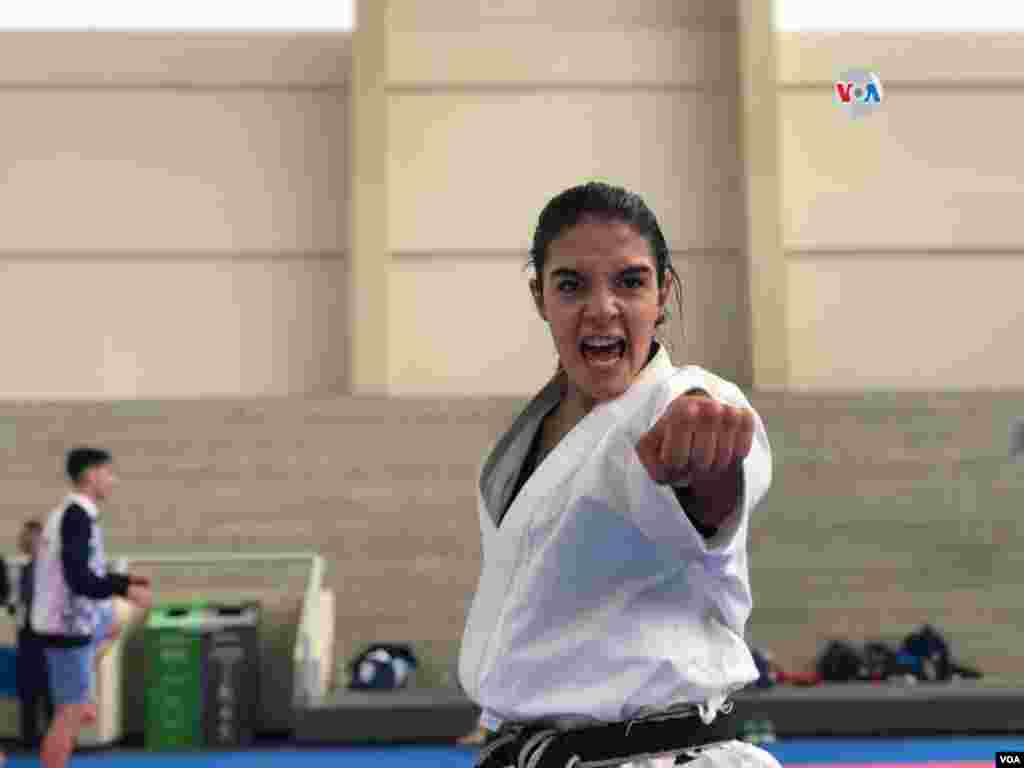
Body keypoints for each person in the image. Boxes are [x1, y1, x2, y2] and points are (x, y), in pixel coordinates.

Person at [458, 183, 780, 768]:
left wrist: (704, 438)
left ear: (663, 293)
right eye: (571, 284)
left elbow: (709, 468)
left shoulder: (677, 402)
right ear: (540, 297)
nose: (602, 308)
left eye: (630, 282)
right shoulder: (530, 434)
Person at [33, 447, 153, 768]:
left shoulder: (73, 516)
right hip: (67, 628)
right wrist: (124, 589)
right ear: (90, 475)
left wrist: (126, 580)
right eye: (108, 473)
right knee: (69, 716)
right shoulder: (76, 518)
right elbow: (79, 580)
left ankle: (80, 703)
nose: (114, 480)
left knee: (80, 710)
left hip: (69, 625)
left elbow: (86, 572)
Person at [16, 520, 55, 749]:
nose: (26, 541)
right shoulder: (25, 569)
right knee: (28, 689)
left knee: (49, 690)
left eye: (31, 537)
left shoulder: (51, 571)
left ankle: (52, 737)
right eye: (25, 537)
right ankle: (29, 738)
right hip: (27, 636)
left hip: (47, 636)